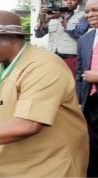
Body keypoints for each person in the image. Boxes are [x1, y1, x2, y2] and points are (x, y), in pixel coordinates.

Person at [0, 10, 89, 177]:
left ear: (11, 38)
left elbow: (28, 124)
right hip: (12, 163)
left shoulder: (43, 66)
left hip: (50, 164)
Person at [34, 0, 89, 77]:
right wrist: (42, 20)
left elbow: (77, 34)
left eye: (73, 0)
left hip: (72, 59)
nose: (69, 2)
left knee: (71, 85)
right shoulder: (51, 14)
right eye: (65, 0)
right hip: (52, 58)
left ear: (79, 1)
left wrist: (60, 18)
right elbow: (38, 34)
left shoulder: (84, 16)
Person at [76, 0, 98, 176]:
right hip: (90, 103)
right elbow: (79, 73)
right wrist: (78, 101)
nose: (89, 14)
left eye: (95, 10)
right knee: (91, 146)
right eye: (87, 11)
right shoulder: (85, 39)